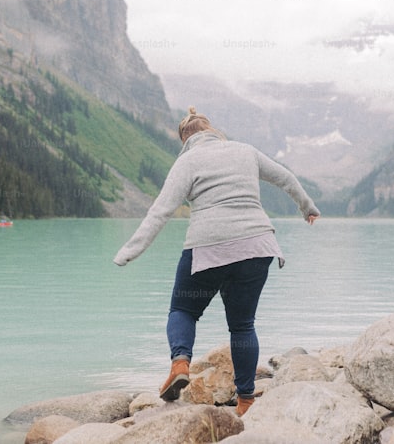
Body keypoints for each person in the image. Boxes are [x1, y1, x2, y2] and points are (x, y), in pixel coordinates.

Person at [113, 107, 320, 416]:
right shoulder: (244, 151)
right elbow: (285, 177)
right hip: (258, 245)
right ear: (214, 131)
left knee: (183, 309)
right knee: (242, 325)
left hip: (208, 248)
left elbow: (161, 211)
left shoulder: (187, 161)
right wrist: (307, 208)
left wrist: (128, 252)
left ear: (185, 139)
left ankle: (180, 362)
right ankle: (246, 400)